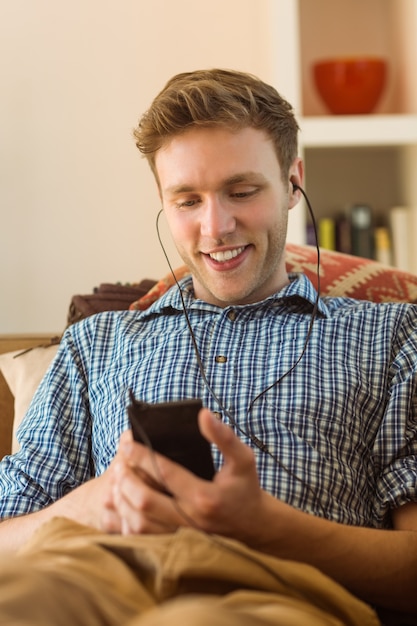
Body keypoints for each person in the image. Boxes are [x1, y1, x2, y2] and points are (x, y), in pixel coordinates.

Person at [0, 68, 416, 626]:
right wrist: (91, 507)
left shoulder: (392, 339)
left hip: (274, 592)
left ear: (294, 181)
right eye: (187, 201)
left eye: (242, 192)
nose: (215, 227)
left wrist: (270, 528)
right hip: (97, 578)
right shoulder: (95, 345)